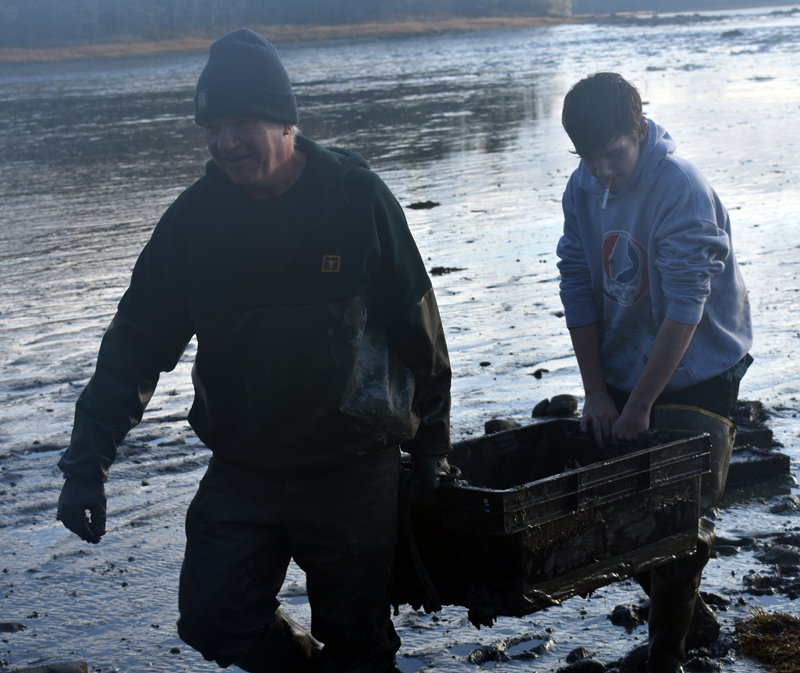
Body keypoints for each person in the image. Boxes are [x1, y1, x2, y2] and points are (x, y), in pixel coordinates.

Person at [56, 28, 452, 673]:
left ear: (286, 123)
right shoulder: (194, 222)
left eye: (242, 122)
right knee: (214, 617)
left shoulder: (355, 198)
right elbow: (134, 343)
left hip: (352, 466)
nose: (224, 142)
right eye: (211, 126)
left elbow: (418, 324)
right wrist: (86, 464)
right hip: (246, 466)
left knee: (359, 641)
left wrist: (432, 439)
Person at [556, 72, 752, 673]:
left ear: (639, 131)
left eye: (613, 156)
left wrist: (641, 405)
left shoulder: (680, 187)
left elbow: (686, 307)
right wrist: (596, 391)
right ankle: (692, 618)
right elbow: (577, 287)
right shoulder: (583, 186)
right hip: (623, 357)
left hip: (699, 363)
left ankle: (666, 656)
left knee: (677, 518)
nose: (602, 173)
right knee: (617, 512)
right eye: (589, 160)